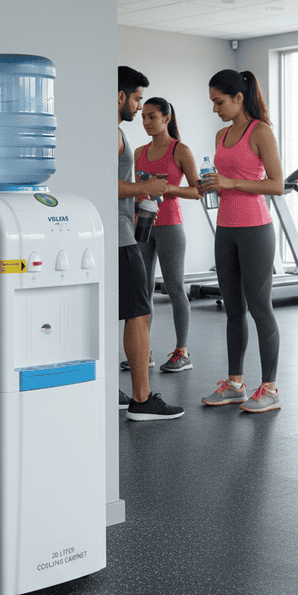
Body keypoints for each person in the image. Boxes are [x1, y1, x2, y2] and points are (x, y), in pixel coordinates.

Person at [199, 69, 284, 413]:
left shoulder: (260, 132)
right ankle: (235, 384)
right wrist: (213, 185)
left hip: (255, 228)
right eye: (212, 102)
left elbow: (276, 184)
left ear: (238, 98)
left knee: (260, 309)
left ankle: (270, 388)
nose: (215, 108)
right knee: (233, 309)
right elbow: (227, 178)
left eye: (219, 102)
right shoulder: (220, 135)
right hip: (226, 228)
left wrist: (230, 183)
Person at [117, 66, 184, 420]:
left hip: (121, 230)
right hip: (119, 236)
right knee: (139, 313)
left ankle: (111, 390)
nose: (139, 109)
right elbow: (107, 184)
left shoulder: (113, 134)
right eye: (137, 99)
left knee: (118, 312)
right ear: (120, 97)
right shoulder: (112, 133)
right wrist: (147, 188)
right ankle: (142, 400)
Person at [133, 97, 201, 372]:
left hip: (170, 225)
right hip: (143, 226)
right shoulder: (138, 152)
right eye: (144, 118)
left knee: (174, 286)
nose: (147, 122)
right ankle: (142, 350)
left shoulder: (180, 150)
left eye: (152, 117)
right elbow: (134, 188)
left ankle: (181, 352)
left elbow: (197, 191)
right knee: (143, 288)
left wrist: (168, 188)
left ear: (166, 118)